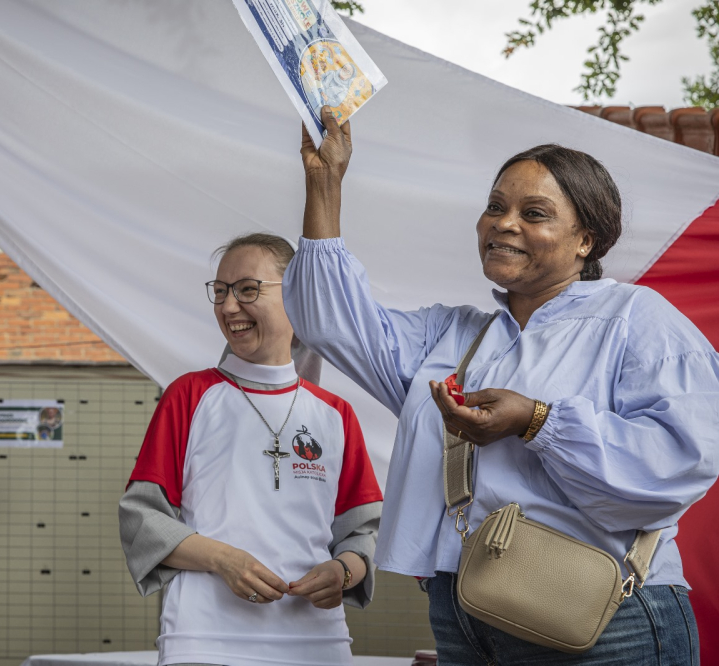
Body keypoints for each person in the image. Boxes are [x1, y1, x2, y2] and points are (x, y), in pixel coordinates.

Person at [282, 106, 719, 664]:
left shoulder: (636, 318)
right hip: (465, 612)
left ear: (585, 240)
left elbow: (682, 460)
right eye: (495, 207)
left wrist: (538, 422)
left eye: (533, 213)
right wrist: (324, 183)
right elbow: (327, 321)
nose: (503, 223)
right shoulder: (454, 336)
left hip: (608, 620)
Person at [119, 233, 383, 666]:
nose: (228, 307)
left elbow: (362, 534)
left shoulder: (335, 414)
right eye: (221, 291)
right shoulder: (189, 396)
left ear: (296, 296)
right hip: (202, 638)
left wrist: (342, 571)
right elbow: (142, 519)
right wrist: (224, 559)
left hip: (316, 641)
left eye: (247, 289)